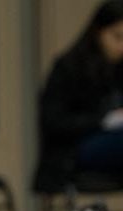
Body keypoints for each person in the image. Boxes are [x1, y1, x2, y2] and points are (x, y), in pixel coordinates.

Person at [37, 0, 123, 191]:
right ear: (98, 32)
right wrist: (104, 121)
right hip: (74, 150)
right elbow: (53, 121)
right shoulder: (70, 68)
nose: (122, 47)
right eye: (117, 37)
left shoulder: (119, 70)